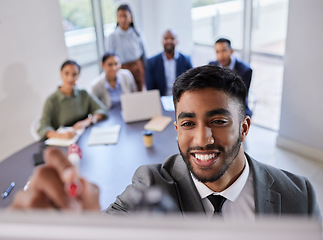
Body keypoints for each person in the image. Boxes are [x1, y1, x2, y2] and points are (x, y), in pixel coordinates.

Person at [12, 65, 321, 219]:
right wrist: (77, 226)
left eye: (218, 121)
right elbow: (105, 229)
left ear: (244, 128)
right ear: (175, 129)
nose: (202, 139)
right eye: (188, 123)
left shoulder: (300, 195)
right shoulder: (150, 184)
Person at [37, 60, 108, 140]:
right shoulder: (51, 100)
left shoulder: (83, 94)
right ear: (61, 74)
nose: (70, 78)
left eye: (74, 74)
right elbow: (43, 128)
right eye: (66, 73)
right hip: (63, 141)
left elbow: (102, 109)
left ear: (78, 76)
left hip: (84, 137)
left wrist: (88, 121)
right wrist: (61, 136)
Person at [209, 38, 253, 117]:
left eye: (224, 51)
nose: (221, 56)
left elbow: (239, 96)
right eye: (217, 52)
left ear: (232, 51)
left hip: (237, 106)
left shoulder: (245, 70)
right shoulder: (212, 65)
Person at [106, 4, 146, 91]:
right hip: (122, 69)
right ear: (117, 18)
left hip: (137, 68)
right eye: (120, 16)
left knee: (140, 94)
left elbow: (143, 53)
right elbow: (110, 58)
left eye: (125, 16)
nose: (123, 19)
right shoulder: (112, 37)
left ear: (130, 17)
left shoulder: (137, 33)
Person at [146, 29, 193, 96]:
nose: (169, 41)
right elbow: (150, 89)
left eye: (172, 38)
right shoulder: (151, 62)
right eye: (166, 38)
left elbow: (191, 83)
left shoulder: (186, 60)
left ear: (177, 41)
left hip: (181, 98)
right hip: (161, 99)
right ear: (162, 41)